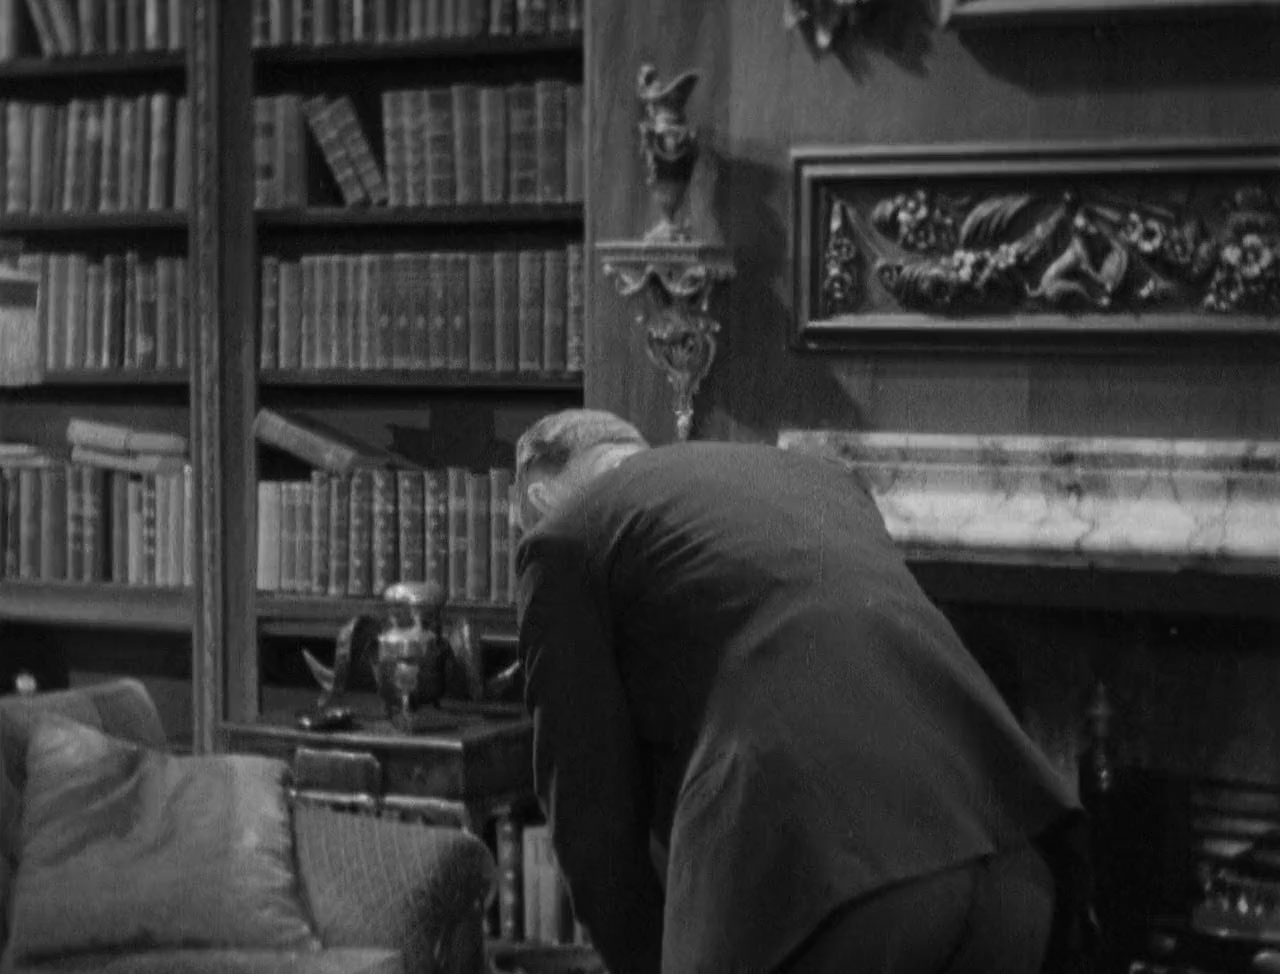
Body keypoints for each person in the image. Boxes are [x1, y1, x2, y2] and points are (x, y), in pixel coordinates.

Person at [513, 409, 1090, 974]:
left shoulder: (564, 538)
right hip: (1014, 867)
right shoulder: (813, 479)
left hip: (826, 892)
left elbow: (591, 824)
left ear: (539, 499)